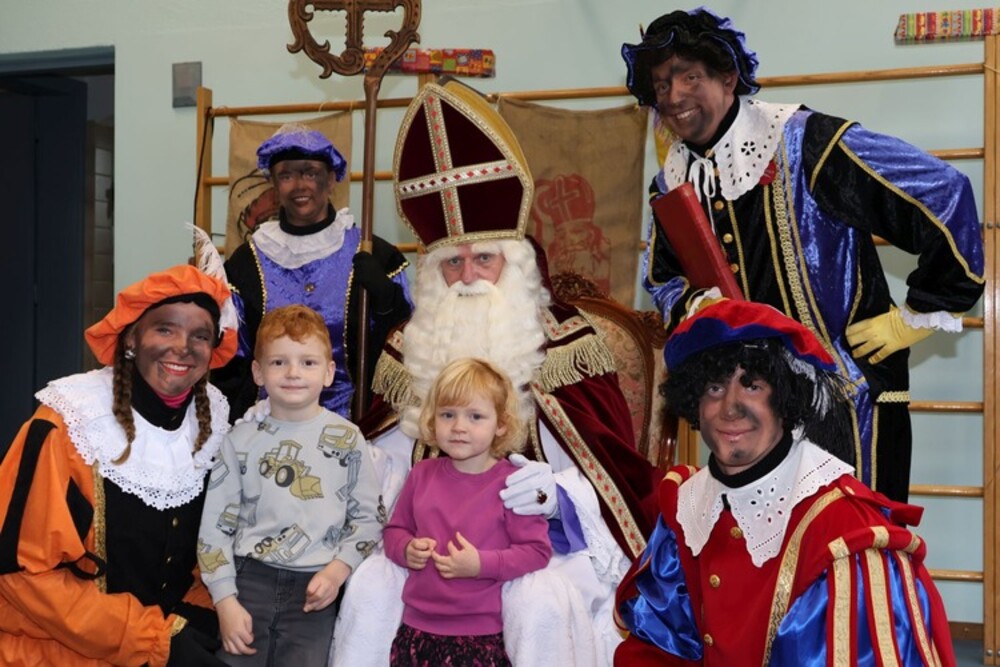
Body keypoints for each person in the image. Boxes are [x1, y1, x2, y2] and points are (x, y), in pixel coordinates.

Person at [331, 78, 660, 667]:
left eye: (484, 258)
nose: (468, 277)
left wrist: (555, 497)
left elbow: (612, 468)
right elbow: (382, 463)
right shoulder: (409, 347)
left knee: (539, 603)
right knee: (371, 590)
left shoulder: (568, 341)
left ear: (515, 264)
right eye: (452, 263)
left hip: (538, 546)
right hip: (428, 547)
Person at [622, 7, 985, 502]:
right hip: (744, 417)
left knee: (852, 542)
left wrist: (916, 316)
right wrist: (696, 306)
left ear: (728, 77)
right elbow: (664, 279)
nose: (673, 96)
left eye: (689, 77)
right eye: (662, 85)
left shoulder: (805, 142)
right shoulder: (671, 182)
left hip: (846, 401)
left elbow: (943, 193)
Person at [614, 299, 955, 665]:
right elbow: (656, 646)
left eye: (752, 386)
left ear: (786, 399)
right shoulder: (688, 509)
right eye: (714, 387)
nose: (729, 407)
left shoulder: (847, 538)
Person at [0, 264, 237, 666]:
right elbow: (23, 573)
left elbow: (210, 545)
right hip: (59, 653)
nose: (183, 347)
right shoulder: (70, 423)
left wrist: (196, 614)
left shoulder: (211, 424)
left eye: (200, 335)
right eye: (165, 329)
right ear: (131, 338)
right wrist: (155, 639)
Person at [197, 304, 382, 665]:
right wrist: (224, 600)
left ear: (329, 372)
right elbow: (215, 528)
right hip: (247, 583)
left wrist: (338, 570)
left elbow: (369, 517)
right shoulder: (239, 440)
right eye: (279, 362)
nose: (293, 373)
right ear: (258, 372)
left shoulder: (348, 438)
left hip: (316, 587)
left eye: (308, 362)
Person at [215, 123, 413, 421]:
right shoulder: (245, 264)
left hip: (356, 424)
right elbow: (233, 358)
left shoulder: (376, 256)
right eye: (286, 175)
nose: (299, 185)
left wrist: (388, 302)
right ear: (274, 184)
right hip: (268, 422)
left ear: (331, 180)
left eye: (311, 173)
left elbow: (404, 349)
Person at [385, 357, 552, 666]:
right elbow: (395, 530)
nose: (459, 427)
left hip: (480, 637)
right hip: (415, 632)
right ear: (432, 419)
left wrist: (481, 564)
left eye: (475, 416)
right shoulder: (421, 474)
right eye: (447, 414)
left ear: (501, 424)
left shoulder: (513, 484)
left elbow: (537, 551)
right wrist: (406, 549)